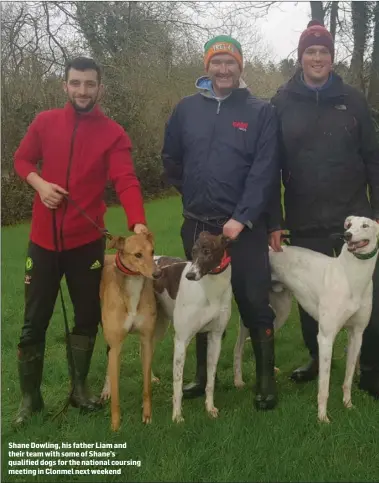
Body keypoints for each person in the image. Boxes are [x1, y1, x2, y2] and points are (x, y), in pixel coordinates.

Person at [13, 57, 148, 427]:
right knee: (33, 322)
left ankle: (79, 389)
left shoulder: (114, 134)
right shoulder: (45, 123)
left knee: (87, 318)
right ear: (65, 86)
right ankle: (30, 399)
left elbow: (126, 180)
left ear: (100, 88)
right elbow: (22, 160)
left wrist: (137, 221)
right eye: (76, 83)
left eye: (90, 84)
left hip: (86, 245)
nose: (82, 91)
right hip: (42, 243)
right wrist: (40, 185)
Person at [161, 35, 283, 410]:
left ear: (240, 66)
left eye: (230, 62)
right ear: (207, 67)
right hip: (198, 226)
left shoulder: (260, 111)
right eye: (217, 62)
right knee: (198, 300)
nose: (224, 69)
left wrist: (240, 218)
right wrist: (196, 198)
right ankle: (201, 377)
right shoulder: (185, 109)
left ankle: (264, 381)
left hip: (242, 230)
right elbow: (172, 160)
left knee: (251, 298)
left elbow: (265, 172)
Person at [269, 20, 379, 399]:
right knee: (310, 295)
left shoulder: (354, 100)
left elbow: (373, 158)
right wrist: (275, 218)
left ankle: (369, 368)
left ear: (332, 59)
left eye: (323, 52)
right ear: (301, 58)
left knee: (364, 294)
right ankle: (318, 358)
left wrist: (376, 211)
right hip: (305, 215)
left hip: (353, 212)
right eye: (310, 52)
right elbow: (270, 165)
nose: (317, 58)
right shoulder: (282, 101)